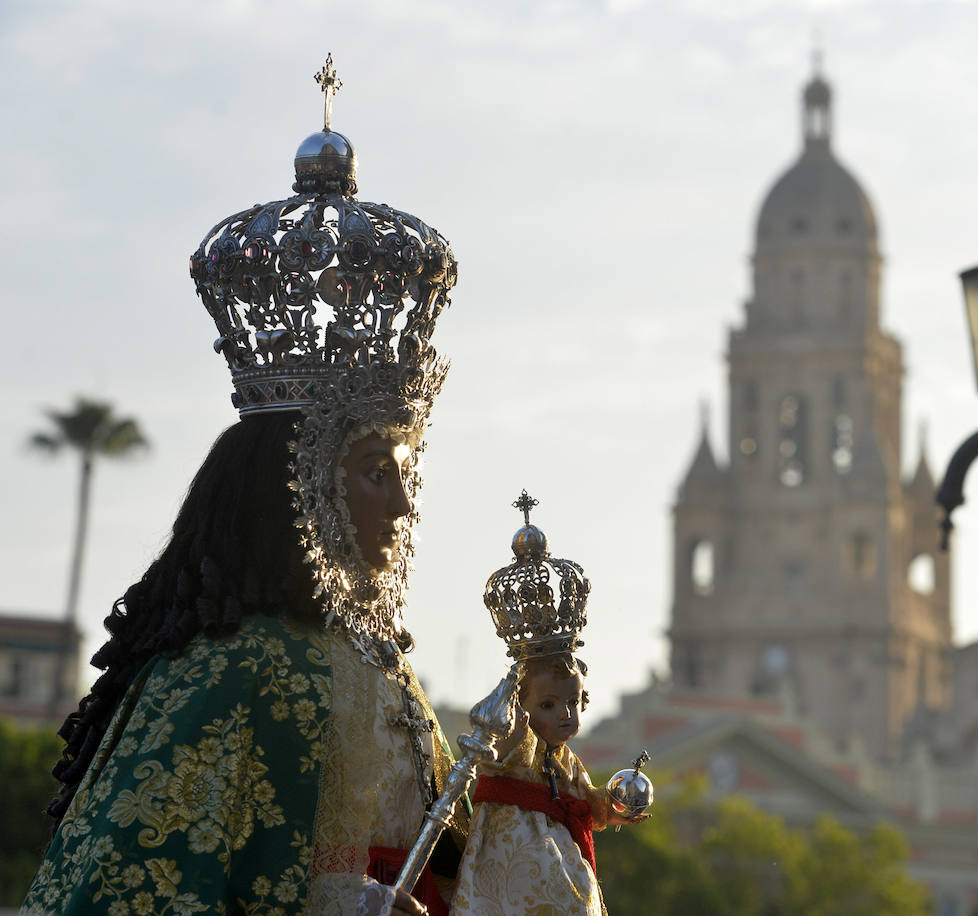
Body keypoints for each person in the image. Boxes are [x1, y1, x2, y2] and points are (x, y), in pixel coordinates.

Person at [22, 55, 463, 916]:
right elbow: (137, 887)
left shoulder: (391, 676)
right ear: (298, 483)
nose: (403, 507)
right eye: (377, 474)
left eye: (404, 474)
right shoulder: (226, 671)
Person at [449, 653, 647, 916]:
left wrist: (611, 807)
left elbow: (585, 798)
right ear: (519, 707)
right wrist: (511, 723)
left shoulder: (568, 760)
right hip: (509, 859)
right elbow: (499, 752)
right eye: (547, 706)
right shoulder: (522, 746)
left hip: (561, 856)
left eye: (573, 702)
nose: (565, 713)